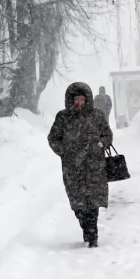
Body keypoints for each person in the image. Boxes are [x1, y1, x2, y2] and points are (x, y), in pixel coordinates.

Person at [47, 82, 113, 248]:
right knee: (78, 205)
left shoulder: (97, 116)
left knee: (92, 203)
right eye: (76, 99)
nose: (79, 103)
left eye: (82, 99)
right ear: (70, 100)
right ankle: (86, 227)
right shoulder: (63, 117)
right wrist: (65, 151)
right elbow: (53, 138)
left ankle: (93, 235)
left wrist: (100, 144)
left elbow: (107, 134)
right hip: (72, 168)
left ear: (87, 99)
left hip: (94, 166)